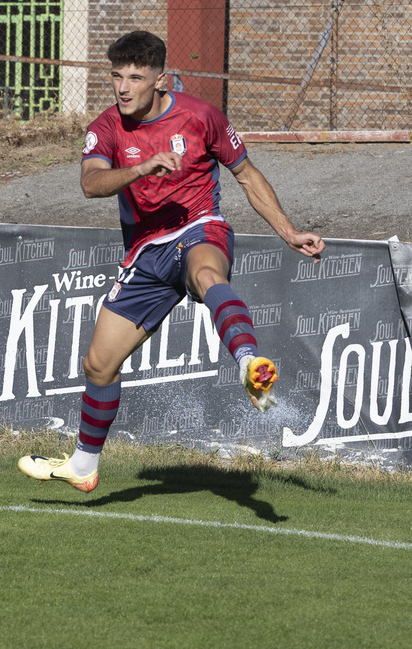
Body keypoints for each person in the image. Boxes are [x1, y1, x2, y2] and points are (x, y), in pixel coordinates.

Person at [17, 30, 325, 493]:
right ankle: (82, 466)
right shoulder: (105, 127)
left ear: (160, 79)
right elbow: (90, 183)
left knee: (205, 274)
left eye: (135, 77)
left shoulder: (201, 117)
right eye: (117, 76)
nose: (123, 87)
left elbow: (245, 172)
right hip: (145, 254)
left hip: (198, 228)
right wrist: (140, 168)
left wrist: (288, 231)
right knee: (99, 365)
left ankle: (247, 361)